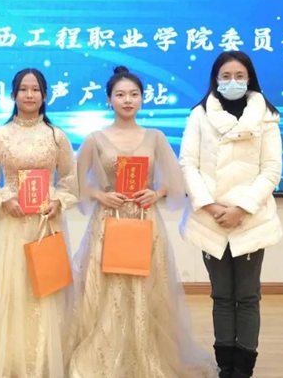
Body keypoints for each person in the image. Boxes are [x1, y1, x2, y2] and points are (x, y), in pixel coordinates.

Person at [68, 66, 216, 378]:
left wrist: (156, 192)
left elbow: (175, 181)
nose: (127, 100)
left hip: (144, 221)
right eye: (120, 95)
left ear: (142, 99)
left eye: (134, 94)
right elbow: (74, 183)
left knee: (146, 289)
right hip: (108, 222)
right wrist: (100, 195)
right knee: (106, 289)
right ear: (109, 100)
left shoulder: (155, 137)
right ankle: (104, 355)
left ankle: (145, 354)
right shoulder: (95, 139)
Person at [0, 68, 78, 378]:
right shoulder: (1, 136)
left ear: (45, 95)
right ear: (13, 95)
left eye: (35, 89)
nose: (29, 95)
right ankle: (10, 361)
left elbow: (70, 180)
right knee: (11, 290)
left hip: (45, 223)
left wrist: (58, 201)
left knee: (46, 289)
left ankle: (42, 361)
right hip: (11, 224)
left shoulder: (56, 136)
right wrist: (3, 200)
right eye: (23, 89)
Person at [179, 51, 282, 378]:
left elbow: (271, 169)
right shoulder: (199, 115)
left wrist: (242, 209)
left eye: (239, 75)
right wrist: (210, 206)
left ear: (250, 78)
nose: (232, 81)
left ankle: (244, 367)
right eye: (226, 76)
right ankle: (225, 365)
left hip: (251, 219)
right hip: (210, 220)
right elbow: (188, 164)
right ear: (215, 79)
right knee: (221, 296)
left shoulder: (267, 117)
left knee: (248, 297)